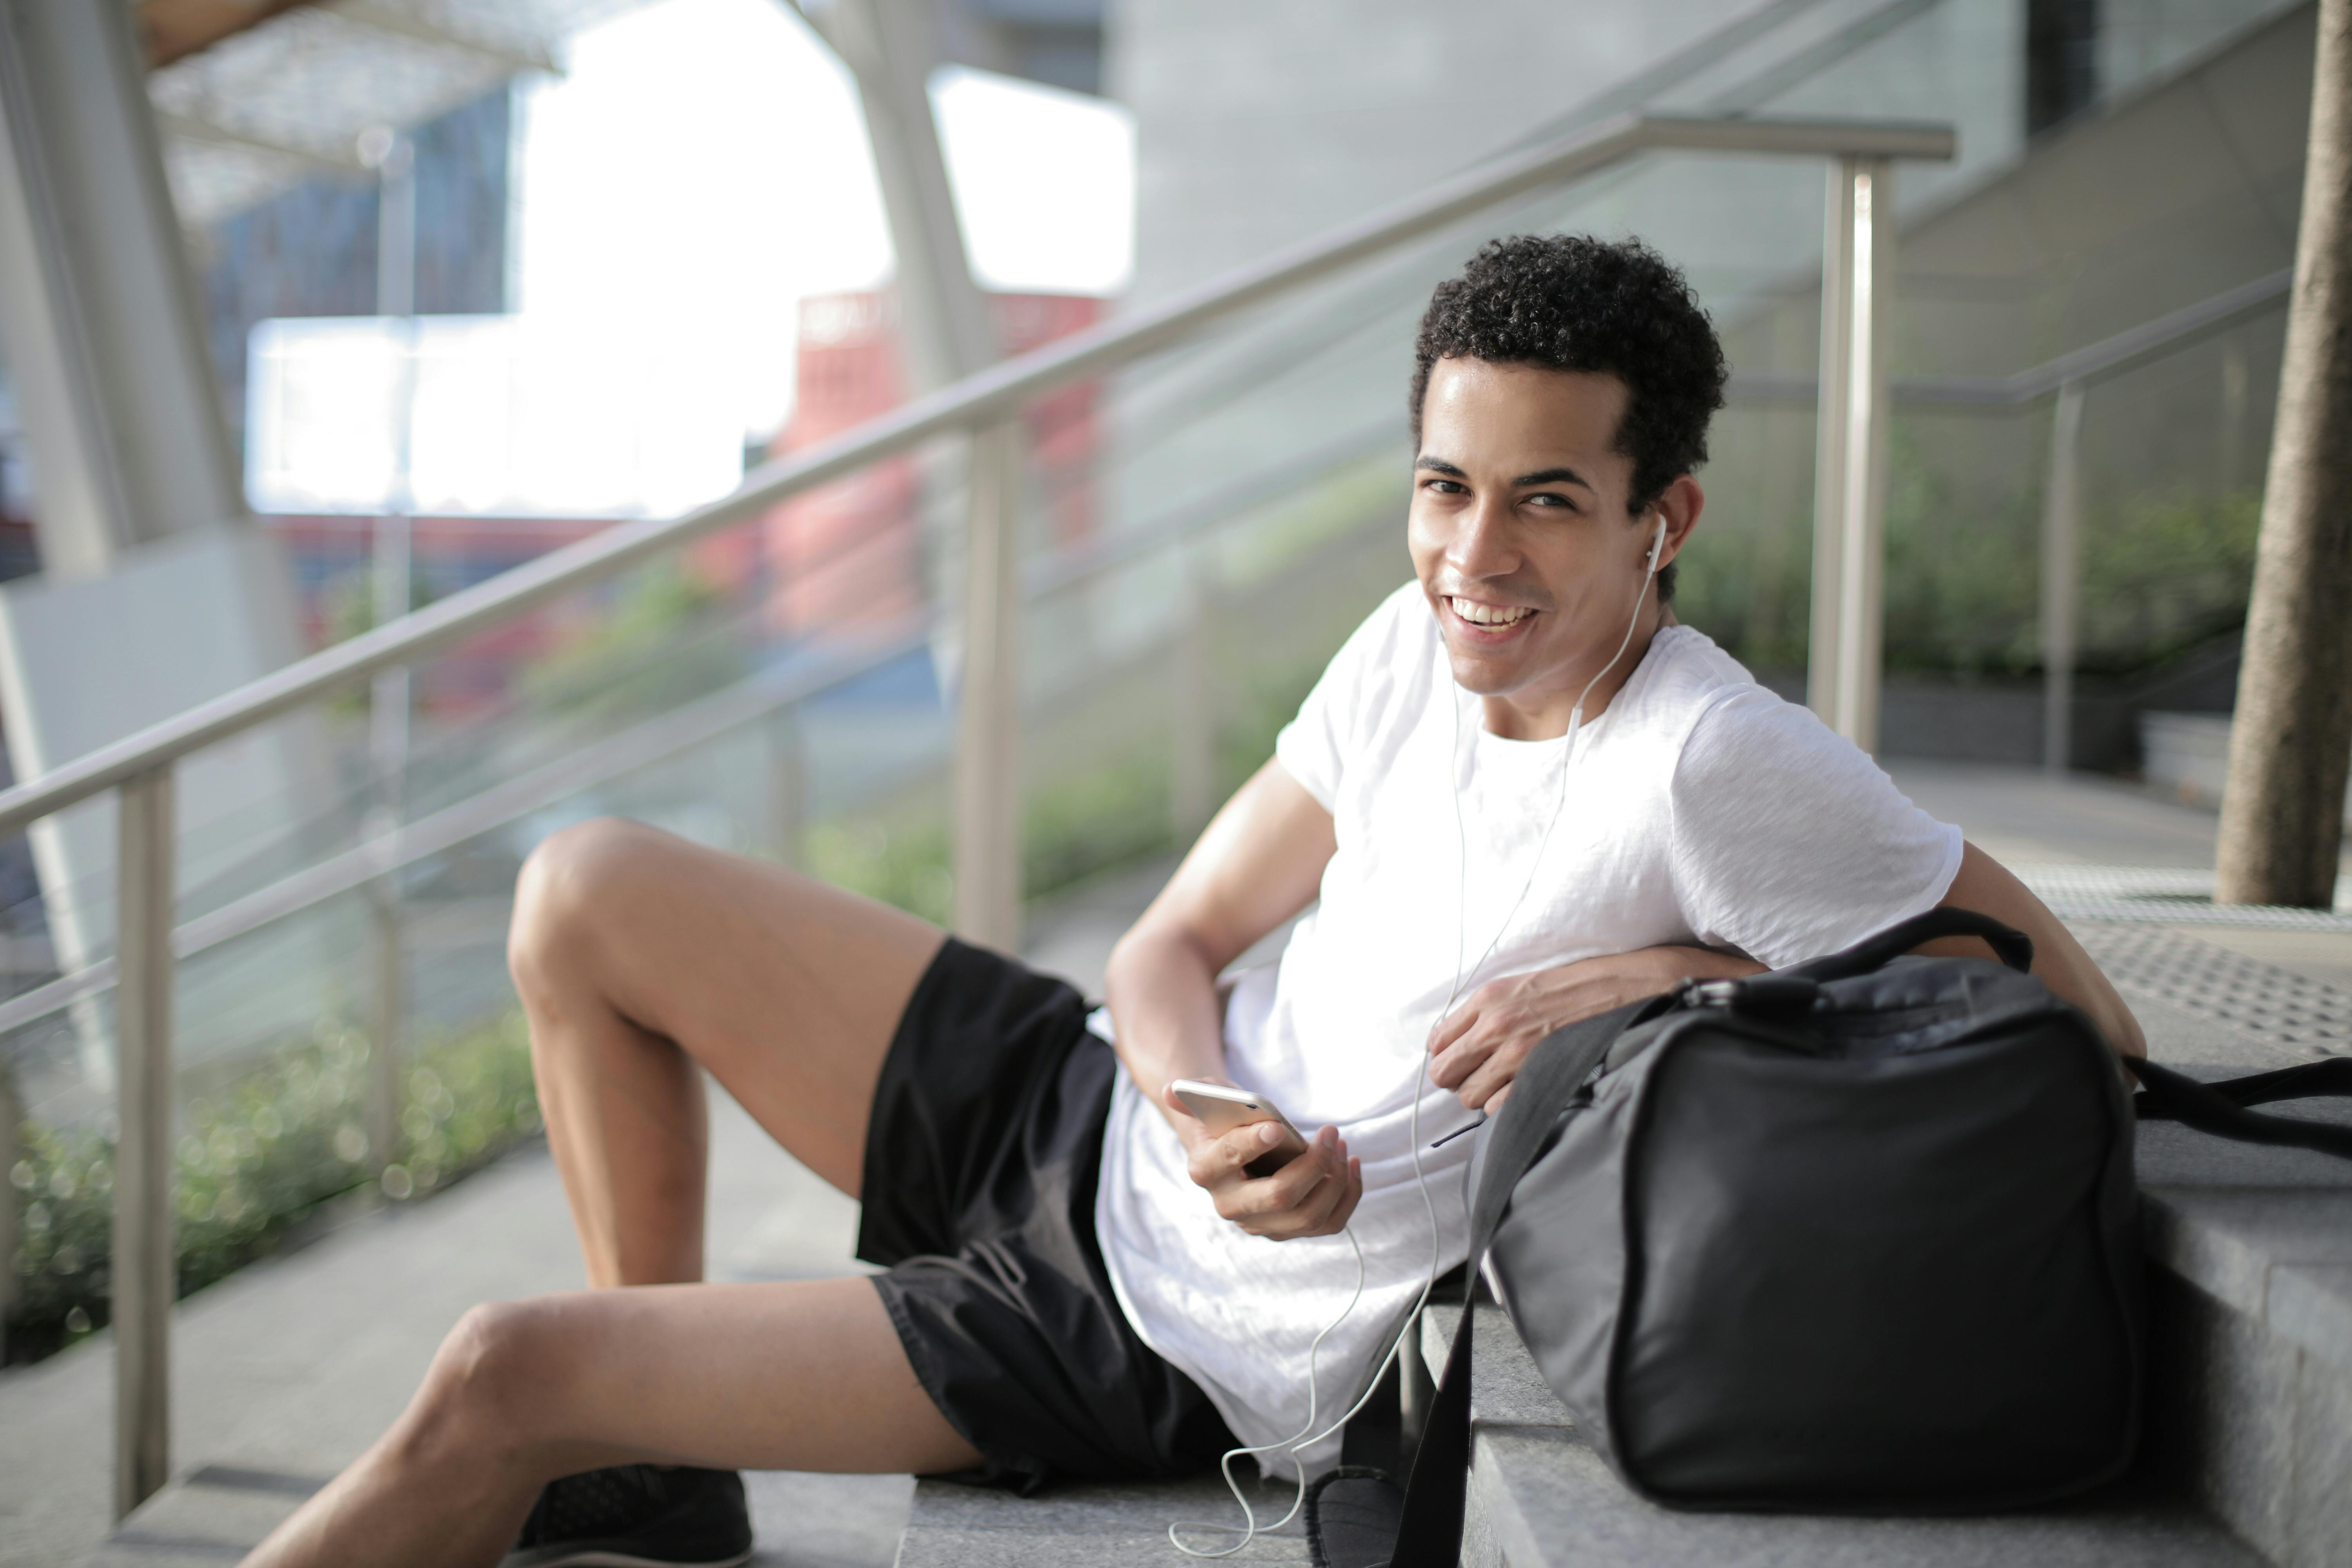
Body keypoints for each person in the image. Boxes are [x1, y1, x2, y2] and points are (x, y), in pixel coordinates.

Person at [241, 235, 2145, 1568]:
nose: (1475, 556)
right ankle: (659, 1480)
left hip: (1160, 1334)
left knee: (501, 1372)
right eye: (1445, 484)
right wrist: (1193, 1093)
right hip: (1104, 1102)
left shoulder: (1720, 761)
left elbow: (2077, 1017)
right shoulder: (1418, 642)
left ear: (1671, 516)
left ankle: (613, 1425)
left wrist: (1675, 974)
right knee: (585, 891)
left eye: (1549, 500)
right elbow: (1172, 942)